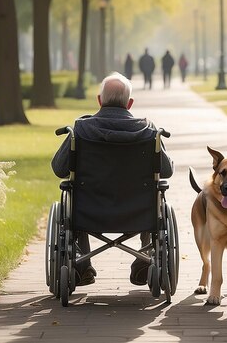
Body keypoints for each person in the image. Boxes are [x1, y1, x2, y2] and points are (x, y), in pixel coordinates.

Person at [52, 72, 174, 286]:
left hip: (89, 212)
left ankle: (82, 267)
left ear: (99, 100)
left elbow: (59, 169)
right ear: (130, 103)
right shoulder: (148, 131)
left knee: (73, 195)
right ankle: (143, 262)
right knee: (153, 194)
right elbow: (166, 171)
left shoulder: (81, 129)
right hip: (139, 213)